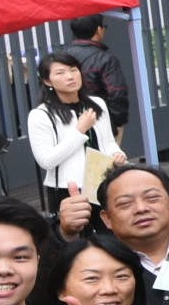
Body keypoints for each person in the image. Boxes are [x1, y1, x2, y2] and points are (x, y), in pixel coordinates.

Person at [27, 54, 123, 212]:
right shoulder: (41, 115)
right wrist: (79, 131)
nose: (70, 76)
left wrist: (117, 154)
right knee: (75, 235)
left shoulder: (97, 104)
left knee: (110, 233)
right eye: (60, 73)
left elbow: (108, 142)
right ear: (47, 81)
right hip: (68, 188)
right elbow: (46, 160)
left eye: (73, 70)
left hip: (103, 182)